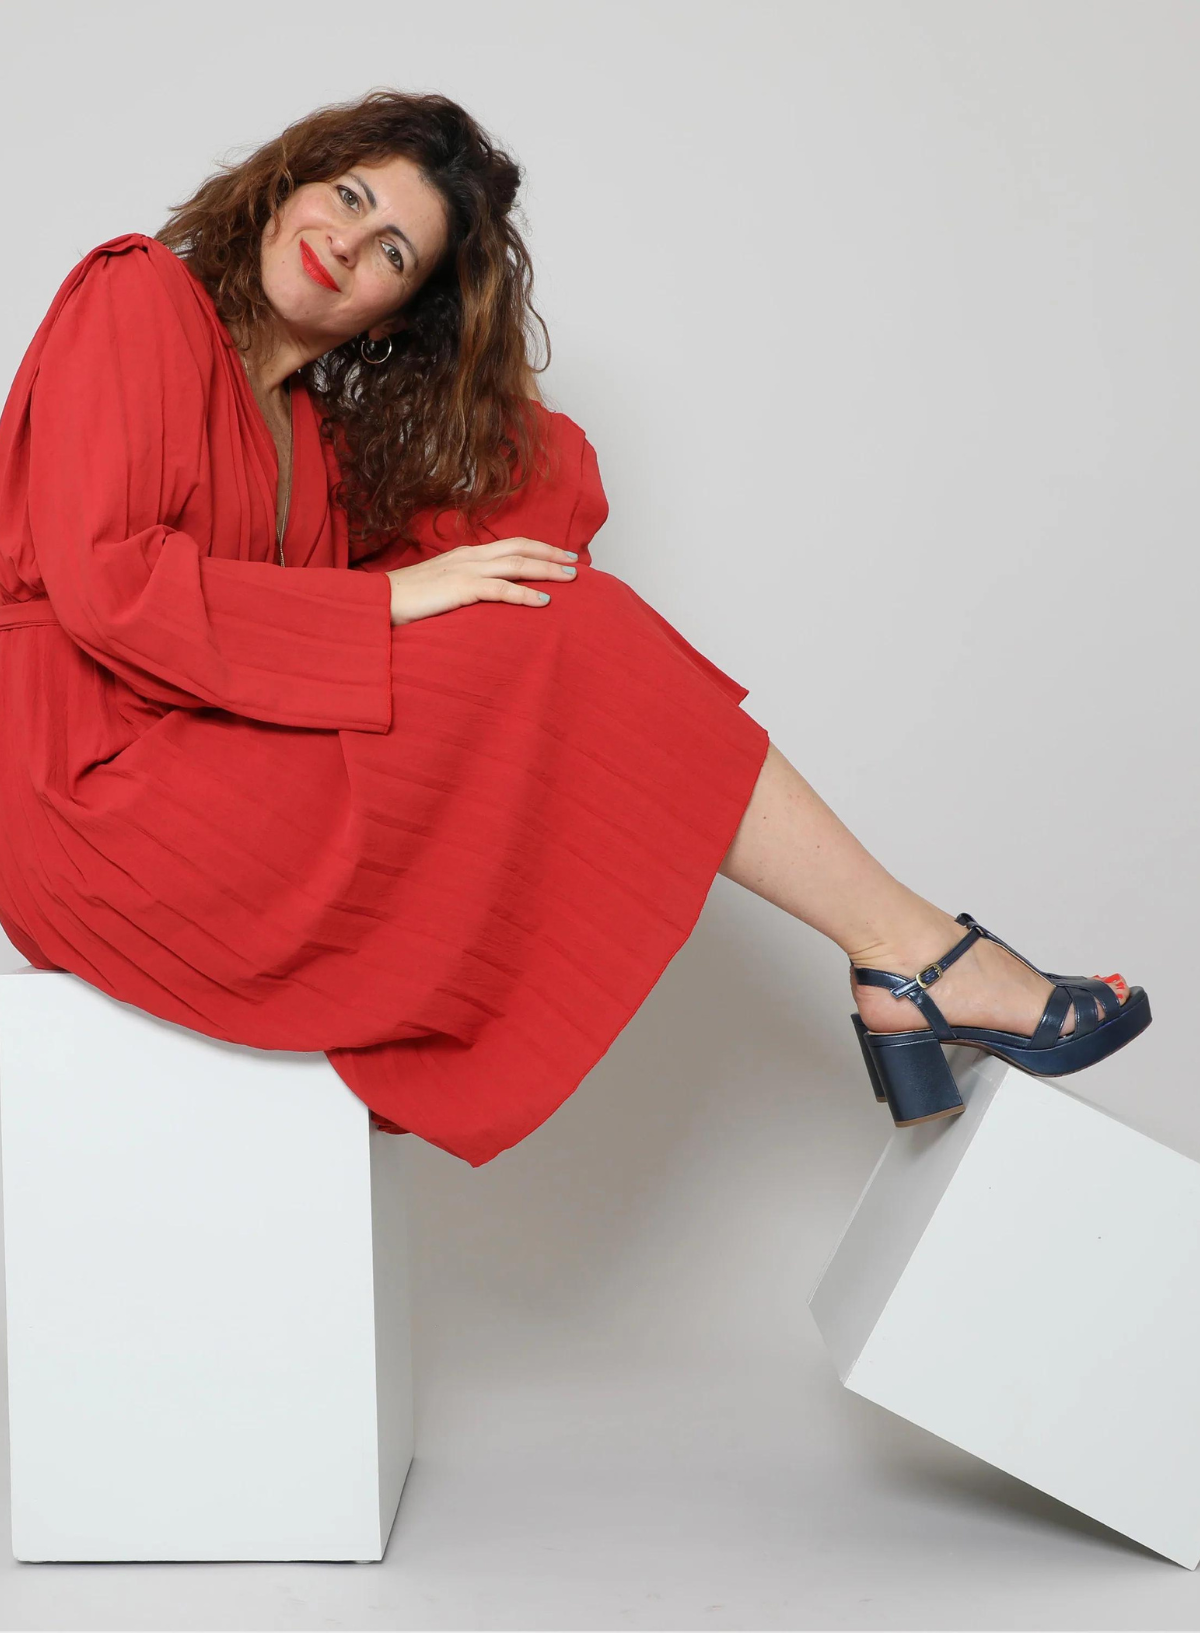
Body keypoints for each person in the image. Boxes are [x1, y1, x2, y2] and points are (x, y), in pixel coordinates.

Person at [0, 90, 1149, 1166]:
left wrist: (455, 366)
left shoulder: (306, 429)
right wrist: (390, 598)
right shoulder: (138, 291)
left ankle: (906, 954)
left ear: (402, 307)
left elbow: (535, 512)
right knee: (556, 634)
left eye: (395, 251)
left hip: (196, 769)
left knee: (548, 614)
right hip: (82, 786)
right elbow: (111, 585)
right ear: (290, 180)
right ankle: (915, 955)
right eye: (350, 196)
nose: (349, 242)